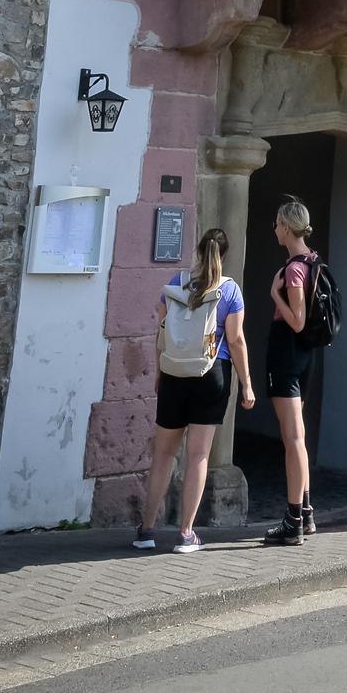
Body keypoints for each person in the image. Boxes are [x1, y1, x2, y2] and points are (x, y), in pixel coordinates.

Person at [133, 226, 254, 553]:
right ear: (224, 255)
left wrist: (159, 372)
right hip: (212, 373)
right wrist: (247, 384)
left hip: (174, 372)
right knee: (198, 455)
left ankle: (146, 530)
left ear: (199, 251)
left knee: (163, 454)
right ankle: (186, 534)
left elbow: (161, 332)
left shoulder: (176, 282)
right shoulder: (230, 290)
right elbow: (236, 340)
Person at [263, 195, 322, 546]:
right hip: (305, 355)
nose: (274, 229)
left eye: (277, 224)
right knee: (298, 436)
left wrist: (275, 294)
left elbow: (297, 321)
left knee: (293, 439)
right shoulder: (313, 261)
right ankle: (307, 514)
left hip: (288, 353)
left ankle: (293, 520)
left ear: (286, 227)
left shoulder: (294, 269)